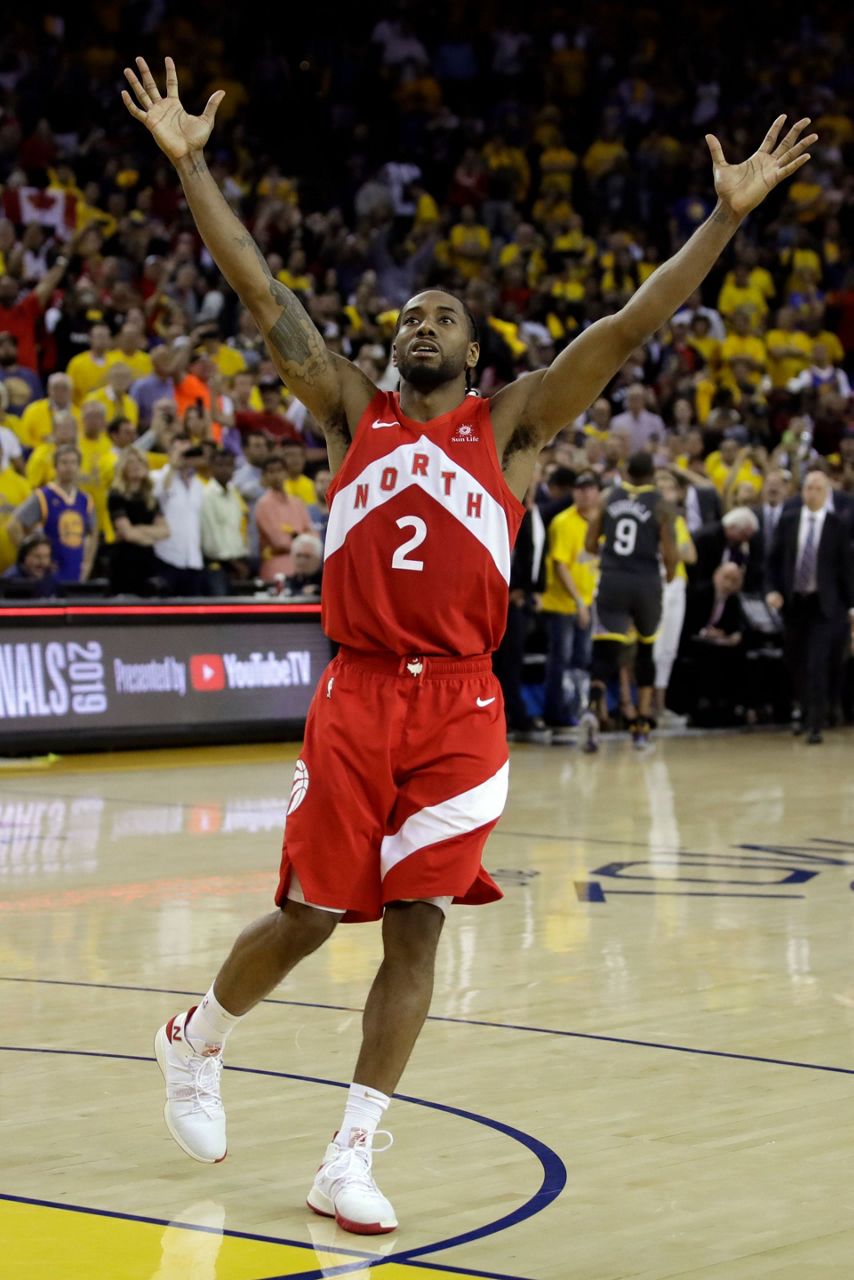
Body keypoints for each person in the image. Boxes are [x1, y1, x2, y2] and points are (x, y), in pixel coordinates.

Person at [123, 54, 814, 1232]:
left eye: (440, 315)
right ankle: (195, 1035)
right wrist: (191, 167)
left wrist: (721, 219)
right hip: (353, 693)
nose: (417, 322)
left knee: (417, 923)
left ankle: (348, 1151)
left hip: (459, 706)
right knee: (306, 914)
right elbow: (258, 288)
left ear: (475, 352)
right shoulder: (348, 406)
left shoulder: (516, 424)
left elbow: (630, 322)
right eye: (407, 315)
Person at [767, 469, 854, 743]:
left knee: (818, 662)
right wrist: (772, 590)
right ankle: (803, 711)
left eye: (818, 488)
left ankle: (815, 722)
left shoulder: (836, 525)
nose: (812, 493)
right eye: (808, 488)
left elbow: (846, 570)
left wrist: (852, 606)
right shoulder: (789, 521)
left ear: (826, 492)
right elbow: (773, 561)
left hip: (825, 605)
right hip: (795, 604)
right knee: (796, 661)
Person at [539, 472, 599, 738]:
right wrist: (578, 602)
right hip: (563, 604)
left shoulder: (599, 523)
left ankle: (576, 710)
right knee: (560, 660)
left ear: (598, 492)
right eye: (580, 488)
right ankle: (556, 714)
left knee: (581, 660)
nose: (585, 493)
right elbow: (560, 564)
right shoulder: (563, 522)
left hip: (588, 600)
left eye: (590, 489)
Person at [9, 444, 97, 583]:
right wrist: (32, 555)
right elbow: (13, 525)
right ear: (55, 466)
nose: (69, 467)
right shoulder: (43, 496)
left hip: (76, 571)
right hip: (49, 573)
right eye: (64, 462)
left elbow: (92, 534)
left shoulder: (85, 500)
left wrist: (87, 564)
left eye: (73, 462)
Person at [652, 469, 697, 723]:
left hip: (677, 584)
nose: (665, 491)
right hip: (655, 583)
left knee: (669, 648)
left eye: (669, 487)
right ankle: (647, 705)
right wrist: (674, 550)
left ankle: (662, 704)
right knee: (654, 646)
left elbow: (691, 555)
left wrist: (670, 550)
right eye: (660, 486)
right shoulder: (651, 517)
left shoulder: (678, 520)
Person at [107, 448, 170, 595]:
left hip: (147, 561)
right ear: (123, 467)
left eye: (140, 462)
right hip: (124, 562)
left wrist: (138, 529)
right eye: (131, 462)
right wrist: (151, 536)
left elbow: (166, 531)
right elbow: (128, 534)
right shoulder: (116, 495)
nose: (136, 466)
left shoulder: (150, 497)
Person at [151, 435, 206, 594]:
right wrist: (173, 466)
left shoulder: (198, 485)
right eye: (180, 452)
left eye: (188, 453)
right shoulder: (157, 477)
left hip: (194, 559)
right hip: (166, 556)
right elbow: (157, 495)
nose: (185, 458)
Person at [254, 453, 314, 581]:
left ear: (286, 473)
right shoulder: (263, 504)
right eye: (271, 472)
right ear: (264, 477)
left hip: (305, 567)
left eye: (279, 470)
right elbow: (279, 541)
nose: (276, 475)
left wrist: (297, 537)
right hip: (277, 566)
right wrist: (303, 540)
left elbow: (313, 534)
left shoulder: (297, 502)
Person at [200, 448, 248, 594]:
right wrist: (234, 564)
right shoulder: (206, 495)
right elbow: (211, 538)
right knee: (220, 612)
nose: (225, 470)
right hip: (217, 565)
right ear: (211, 467)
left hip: (238, 562)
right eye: (220, 465)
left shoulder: (234, 494)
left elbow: (236, 530)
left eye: (229, 465)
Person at [0, 532, 58, 598]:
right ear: (24, 557)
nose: (42, 562)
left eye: (46, 556)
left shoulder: (49, 578)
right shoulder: (10, 581)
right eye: (37, 556)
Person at [284, 532, 324, 597]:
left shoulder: (325, 584)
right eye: (298, 555)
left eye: (307, 556)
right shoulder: (287, 583)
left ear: (318, 559)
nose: (302, 561)